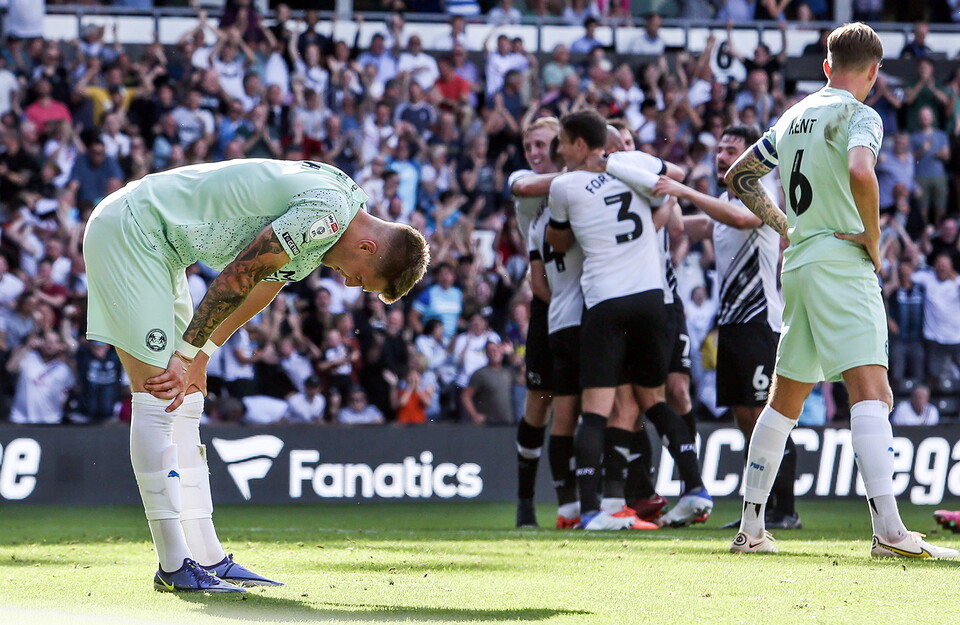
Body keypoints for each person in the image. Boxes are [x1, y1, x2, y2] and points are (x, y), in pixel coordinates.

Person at [83, 158, 430, 592]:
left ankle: (208, 558)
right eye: (363, 279)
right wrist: (185, 353)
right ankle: (173, 566)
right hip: (130, 230)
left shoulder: (340, 205)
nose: (349, 285)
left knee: (188, 398)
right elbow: (241, 272)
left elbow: (263, 285)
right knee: (159, 395)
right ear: (368, 249)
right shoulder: (325, 215)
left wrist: (202, 353)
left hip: (162, 247)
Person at [723, 22, 957, 558]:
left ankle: (751, 529)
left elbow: (738, 178)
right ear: (873, 73)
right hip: (842, 263)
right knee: (873, 393)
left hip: (800, 263)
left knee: (783, 402)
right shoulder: (861, 115)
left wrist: (785, 225)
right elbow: (861, 170)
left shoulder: (792, 116)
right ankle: (890, 534)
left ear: (827, 66)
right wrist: (873, 240)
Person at [546, 110, 712, 531]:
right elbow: (673, 175)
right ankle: (694, 488)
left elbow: (558, 240)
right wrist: (622, 163)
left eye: (563, 143)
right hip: (653, 300)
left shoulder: (564, 185)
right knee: (652, 401)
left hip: (607, 302)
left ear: (580, 145)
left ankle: (591, 511)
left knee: (597, 409)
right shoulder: (634, 164)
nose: (559, 152)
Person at [655, 125, 800, 530]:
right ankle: (756, 508)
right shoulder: (722, 200)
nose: (721, 155)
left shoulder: (758, 195)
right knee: (743, 419)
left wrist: (682, 192)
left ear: (750, 155)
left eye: (731, 149)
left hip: (758, 322)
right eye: (718, 148)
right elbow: (686, 226)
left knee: (764, 418)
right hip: (732, 325)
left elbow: (737, 220)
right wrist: (660, 196)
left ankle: (784, 509)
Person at [508, 117, 564, 527]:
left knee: (582, 403)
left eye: (542, 144)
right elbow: (521, 187)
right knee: (539, 404)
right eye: (530, 146)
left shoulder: (580, 180)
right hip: (547, 302)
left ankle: (576, 506)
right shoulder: (527, 180)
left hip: (587, 300)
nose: (534, 152)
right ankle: (525, 504)